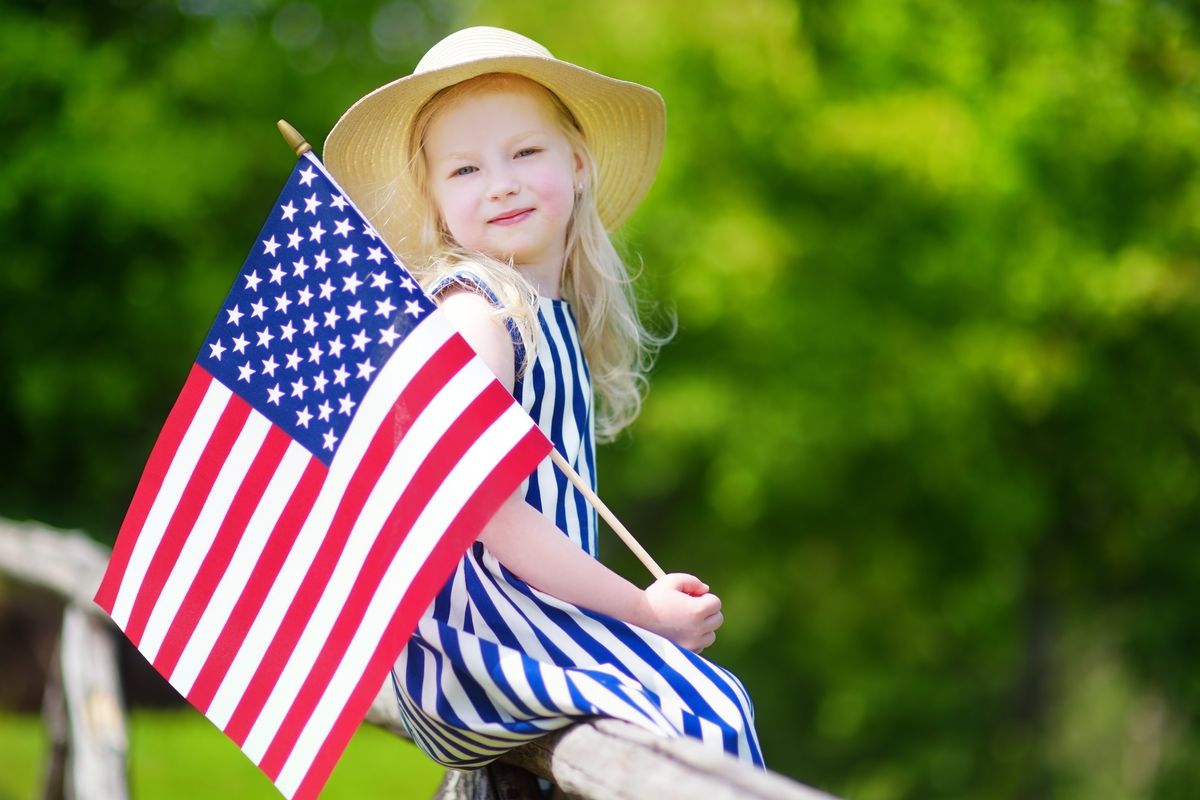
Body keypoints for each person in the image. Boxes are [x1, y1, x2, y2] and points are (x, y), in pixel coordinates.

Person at [324, 26, 763, 769]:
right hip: (477, 641)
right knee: (706, 712)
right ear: (433, 200)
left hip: (530, 619)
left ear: (580, 162)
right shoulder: (479, 315)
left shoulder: (543, 310)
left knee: (708, 704)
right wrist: (638, 611)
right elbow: (482, 506)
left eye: (525, 152)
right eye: (464, 169)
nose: (500, 182)